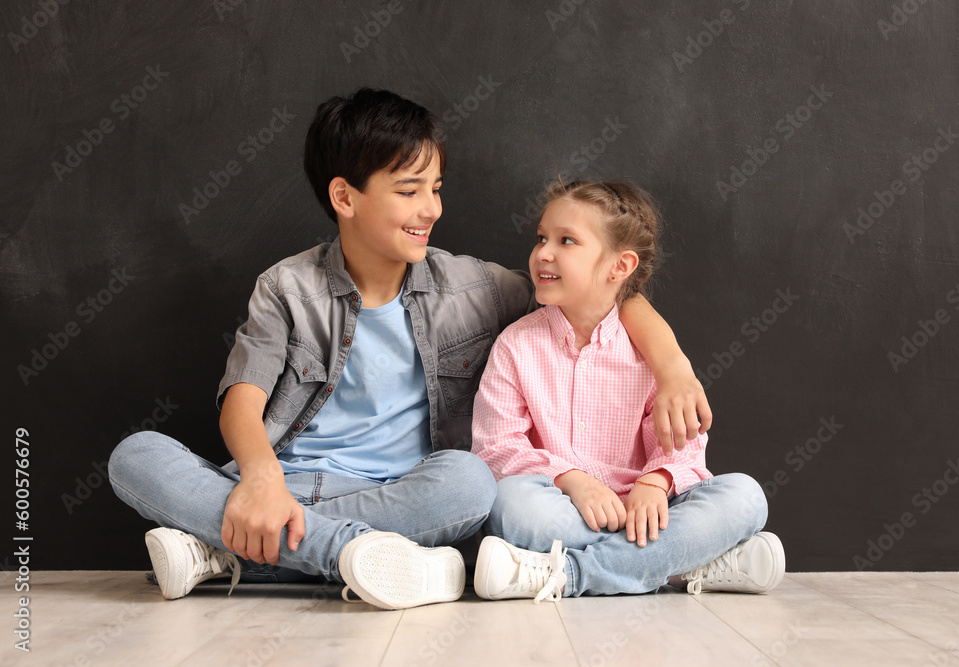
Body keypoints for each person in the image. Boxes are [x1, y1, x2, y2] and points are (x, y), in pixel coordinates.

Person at [108, 89, 711, 612]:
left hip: (402, 496)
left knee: (470, 482)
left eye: (436, 188)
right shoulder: (287, 286)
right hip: (281, 485)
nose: (432, 209)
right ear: (345, 198)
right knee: (135, 455)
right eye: (409, 190)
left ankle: (224, 552)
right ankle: (357, 556)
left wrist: (673, 366)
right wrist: (262, 479)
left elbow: (598, 293)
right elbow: (243, 397)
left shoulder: (475, 288)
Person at [471, 180, 784, 603]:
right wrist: (572, 480)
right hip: (568, 511)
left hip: (652, 513)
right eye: (542, 237)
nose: (543, 252)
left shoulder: (649, 351)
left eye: (567, 241)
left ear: (619, 267)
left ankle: (569, 573)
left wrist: (654, 483)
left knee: (745, 497)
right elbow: (496, 447)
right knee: (510, 503)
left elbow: (683, 445)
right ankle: (682, 565)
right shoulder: (516, 345)